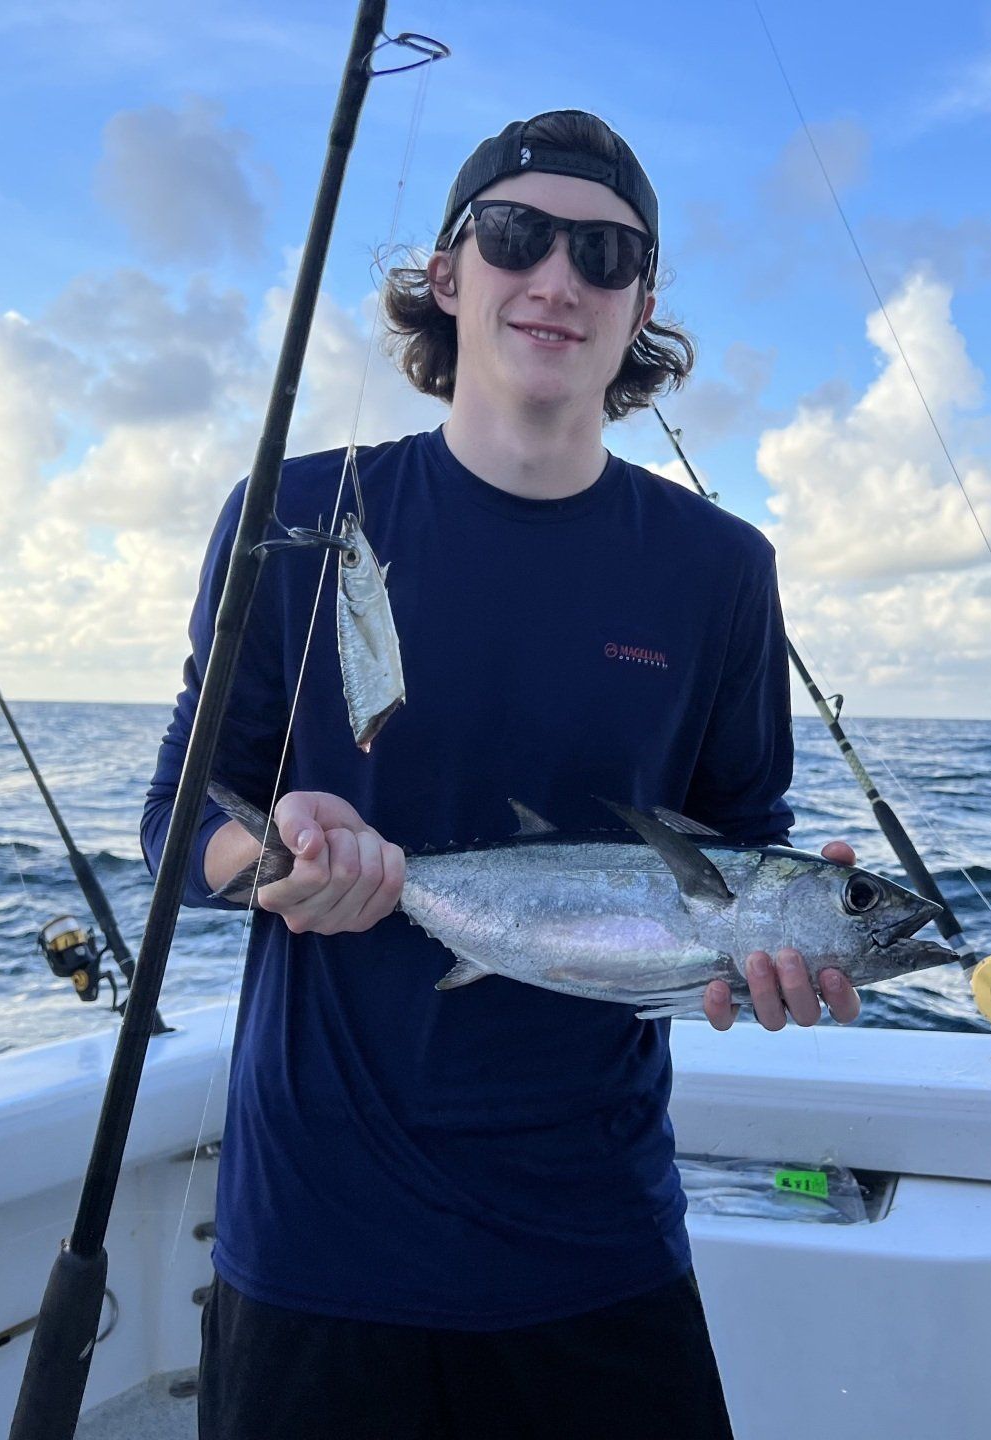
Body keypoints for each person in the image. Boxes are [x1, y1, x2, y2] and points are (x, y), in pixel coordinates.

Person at [144, 108, 863, 1440]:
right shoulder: (297, 516)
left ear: (644, 304)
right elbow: (178, 827)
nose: (558, 279)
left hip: (594, 1246)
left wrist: (784, 949)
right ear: (448, 273)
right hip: (318, 1242)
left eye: (605, 254)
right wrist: (279, 860)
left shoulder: (721, 572)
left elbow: (740, 844)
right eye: (518, 236)